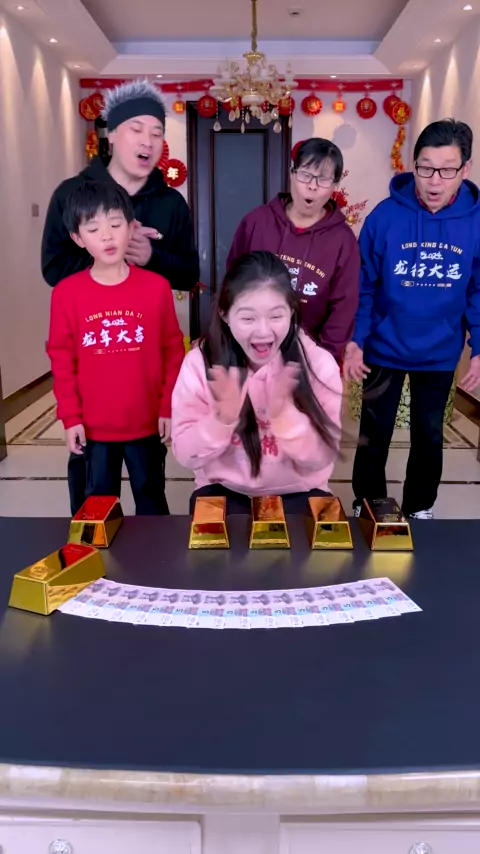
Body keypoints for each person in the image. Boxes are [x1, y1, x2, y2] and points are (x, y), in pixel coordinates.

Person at [41, 79, 199, 513]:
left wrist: (151, 256)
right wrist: (106, 266)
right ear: (111, 134)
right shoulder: (71, 195)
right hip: (94, 412)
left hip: (144, 409)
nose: (147, 140)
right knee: (93, 503)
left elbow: (189, 275)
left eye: (156, 131)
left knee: (151, 495)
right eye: (136, 129)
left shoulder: (169, 203)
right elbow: (54, 271)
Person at [344, 118, 480, 520]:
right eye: (426, 168)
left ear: (465, 169)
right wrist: (356, 340)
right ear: (413, 164)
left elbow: (477, 289)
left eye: (447, 170)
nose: (434, 181)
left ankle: (421, 507)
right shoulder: (385, 216)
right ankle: (367, 503)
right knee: (374, 433)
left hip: (440, 351)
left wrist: (478, 348)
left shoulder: (475, 221)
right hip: (383, 348)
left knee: (429, 435)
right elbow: (363, 285)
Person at [47, 180, 185, 516]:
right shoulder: (66, 294)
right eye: (94, 229)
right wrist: (70, 418)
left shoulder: (156, 287)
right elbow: (62, 361)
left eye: (115, 224)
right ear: (78, 238)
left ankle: (152, 551)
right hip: (93, 429)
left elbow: (172, 350)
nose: (107, 236)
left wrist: (167, 406)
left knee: (151, 500)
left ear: (132, 227)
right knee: (96, 508)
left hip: (146, 423)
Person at [171, 250, 342, 515]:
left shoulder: (318, 364)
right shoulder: (200, 364)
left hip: (301, 494)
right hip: (223, 493)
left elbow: (322, 457)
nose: (263, 331)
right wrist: (221, 420)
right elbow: (185, 455)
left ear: (292, 310)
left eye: (276, 316)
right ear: (225, 314)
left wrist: (285, 417)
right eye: (248, 318)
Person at [226, 138, 360, 364]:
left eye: (323, 179)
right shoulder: (256, 222)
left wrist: (322, 362)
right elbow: (232, 285)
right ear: (292, 174)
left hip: (308, 359)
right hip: (251, 350)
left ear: (335, 185)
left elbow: (343, 308)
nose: (312, 186)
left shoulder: (343, 241)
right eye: (306, 175)